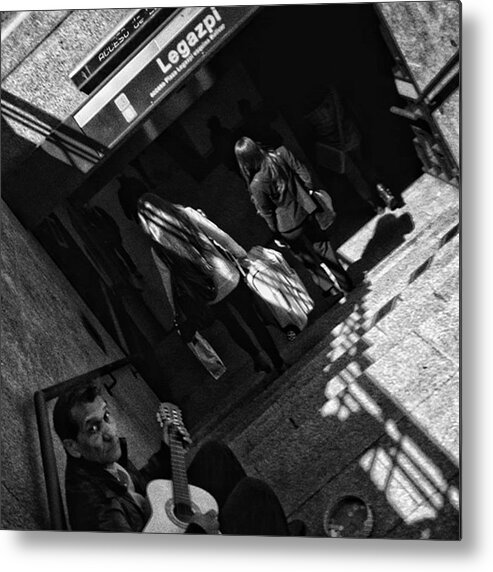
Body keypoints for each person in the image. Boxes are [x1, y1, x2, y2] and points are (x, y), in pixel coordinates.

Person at [53, 381, 301, 534]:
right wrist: (197, 531)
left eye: (107, 417)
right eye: (93, 429)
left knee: (215, 454)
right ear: (73, 447)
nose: (110, 432)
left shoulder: (98, 461)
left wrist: (165, 450)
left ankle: (263, 530)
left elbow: (137, 489)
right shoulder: (97, 511)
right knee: (254, 494)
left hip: (161, 524)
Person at [137, 192, 285, 375]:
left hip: (206, 293)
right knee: (253, 320)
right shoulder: (186, 214)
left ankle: (257, 357)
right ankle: (277, 360)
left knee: (232, 326)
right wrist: (241, 255)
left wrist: (175, 310)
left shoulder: (156, 246)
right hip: (228, 277)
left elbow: (167, 280)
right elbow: (219, 235)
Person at [234, 136, 353, 294]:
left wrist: (275, 232)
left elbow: (267, 212)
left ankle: (330, 289)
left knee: (307, 259)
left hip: (287, 227)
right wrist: (308, 192)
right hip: (306, 210)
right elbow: (303, 172)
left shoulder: (255, 184)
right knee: (323, 247)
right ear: (256, 147)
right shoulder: (280, 154)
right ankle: (346, 283)